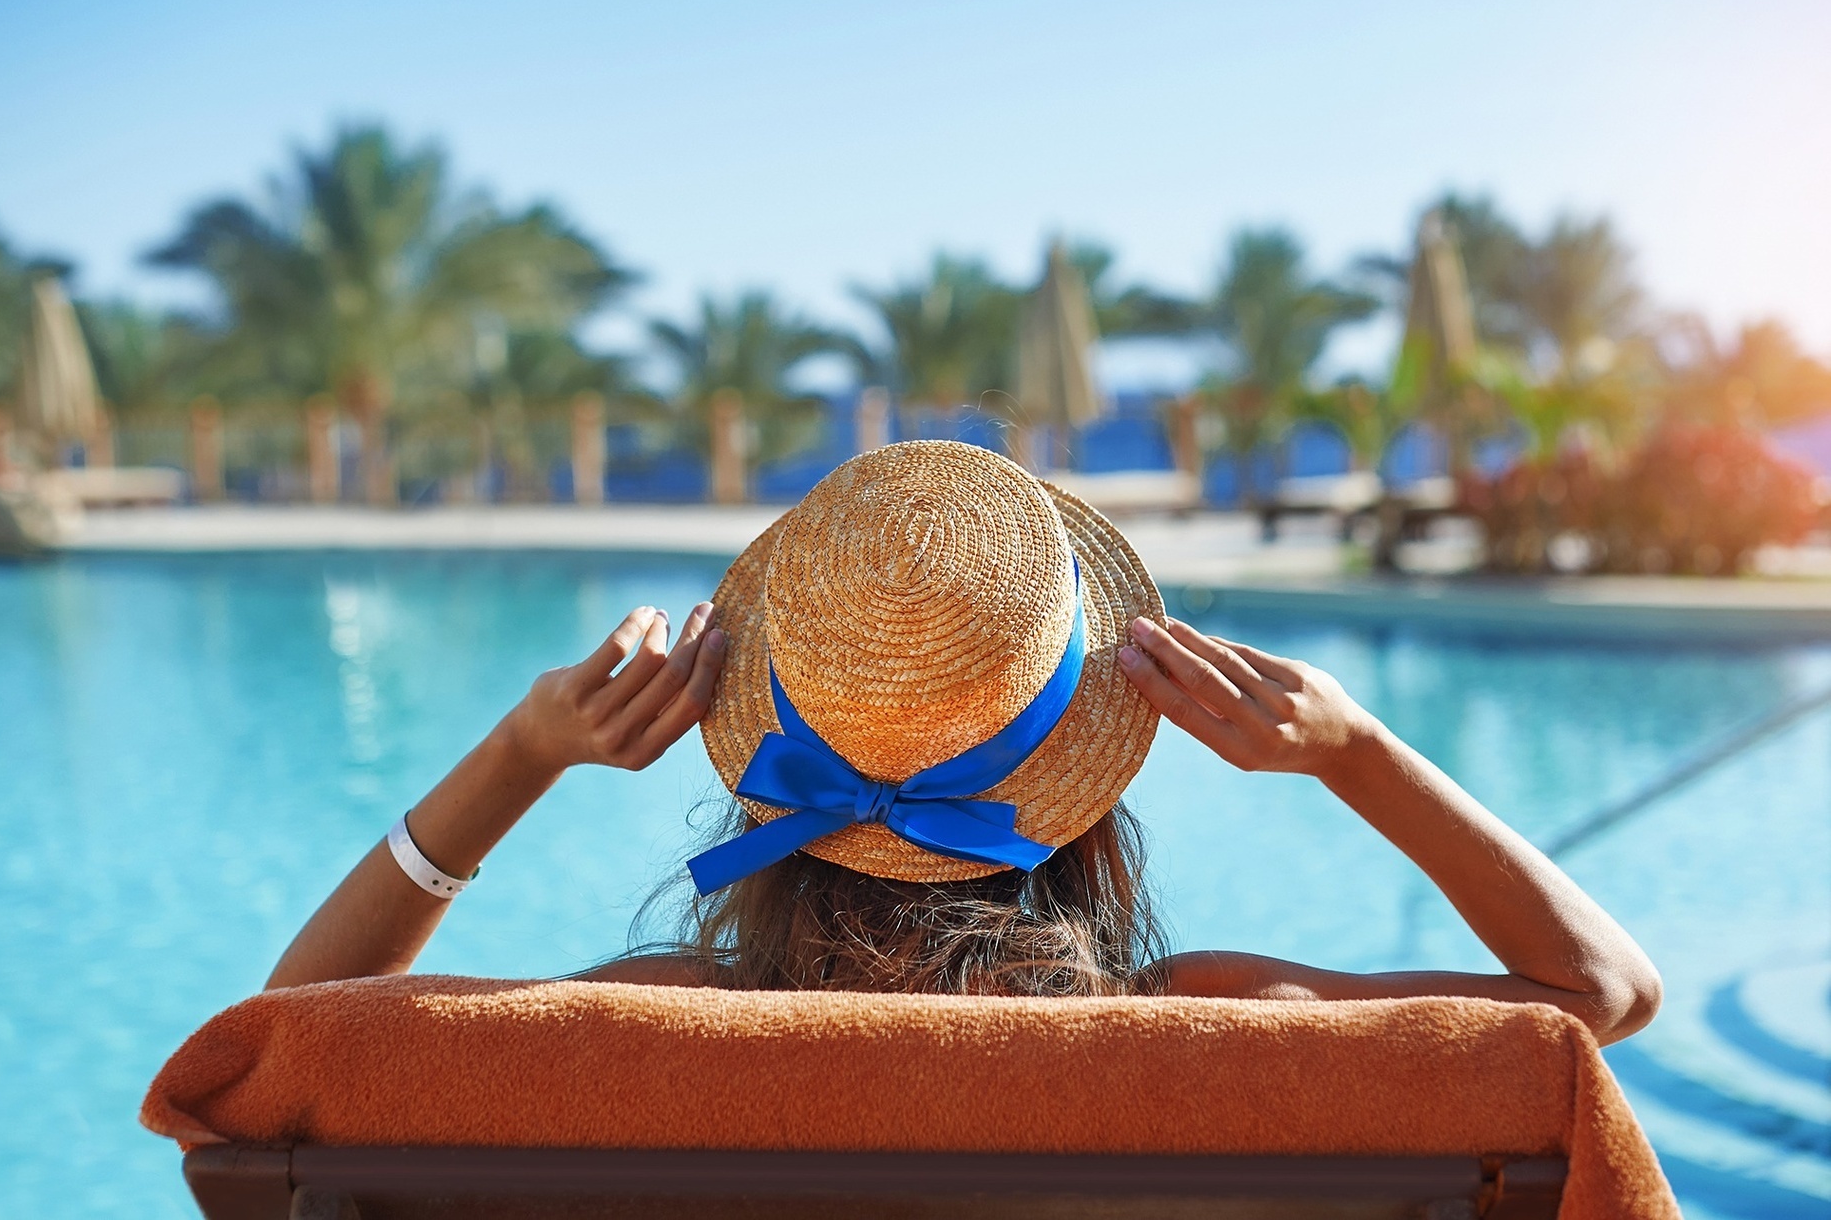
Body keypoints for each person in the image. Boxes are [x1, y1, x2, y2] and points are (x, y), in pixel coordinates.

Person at [267, 442, 1660, 1046]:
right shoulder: (1209, 1024)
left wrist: (518, 753)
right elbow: (1598, 992)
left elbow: (277, 1045)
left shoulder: (662, 1018)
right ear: (1087, 785)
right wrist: (1358, 750)